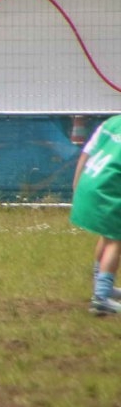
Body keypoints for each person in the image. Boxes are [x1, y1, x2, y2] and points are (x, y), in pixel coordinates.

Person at [70, 112, 121, 316]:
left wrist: (76, 184)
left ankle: (101, 285)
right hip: (108, 190)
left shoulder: (113, 122)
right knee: (116, 240)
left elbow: (87, 152)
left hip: (89, 182)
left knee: (107, 236)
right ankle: (101, 297)